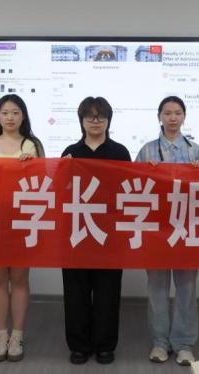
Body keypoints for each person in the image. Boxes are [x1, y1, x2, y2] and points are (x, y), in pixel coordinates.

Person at [61, 97, 130, 365]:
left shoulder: (120, 152)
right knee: (75, 291)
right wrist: (63, 170)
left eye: (101, 116)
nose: (95, 121)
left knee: (107, 292)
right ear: (81, 121)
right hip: (77, 231)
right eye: (89, 116)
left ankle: (104, 345)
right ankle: (79, 345)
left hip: (109, 233)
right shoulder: (70, 152)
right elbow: (60, 191)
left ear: (109, 120)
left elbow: (128, 190)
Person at [136, 96, 199, 367]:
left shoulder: (195, 151)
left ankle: (184, 344)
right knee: (157, 287)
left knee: (187, 287)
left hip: (186, 228)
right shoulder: (147, 151)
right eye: (167, 113)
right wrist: (146, 173)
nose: (173, 118)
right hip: (156, 228)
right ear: (159, 117)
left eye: (177, 113)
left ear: (184, 117)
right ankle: (160, 342)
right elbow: (134, 187)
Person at [0, 94, 44, 362]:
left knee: (19, 278)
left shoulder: (32, 145)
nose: (10, 117)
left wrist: (32, 166)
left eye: (15, 112)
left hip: (23, 218)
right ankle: (1, 335)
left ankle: (17, 335)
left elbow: (44, 183)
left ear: (23, 116)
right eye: (5, 112)